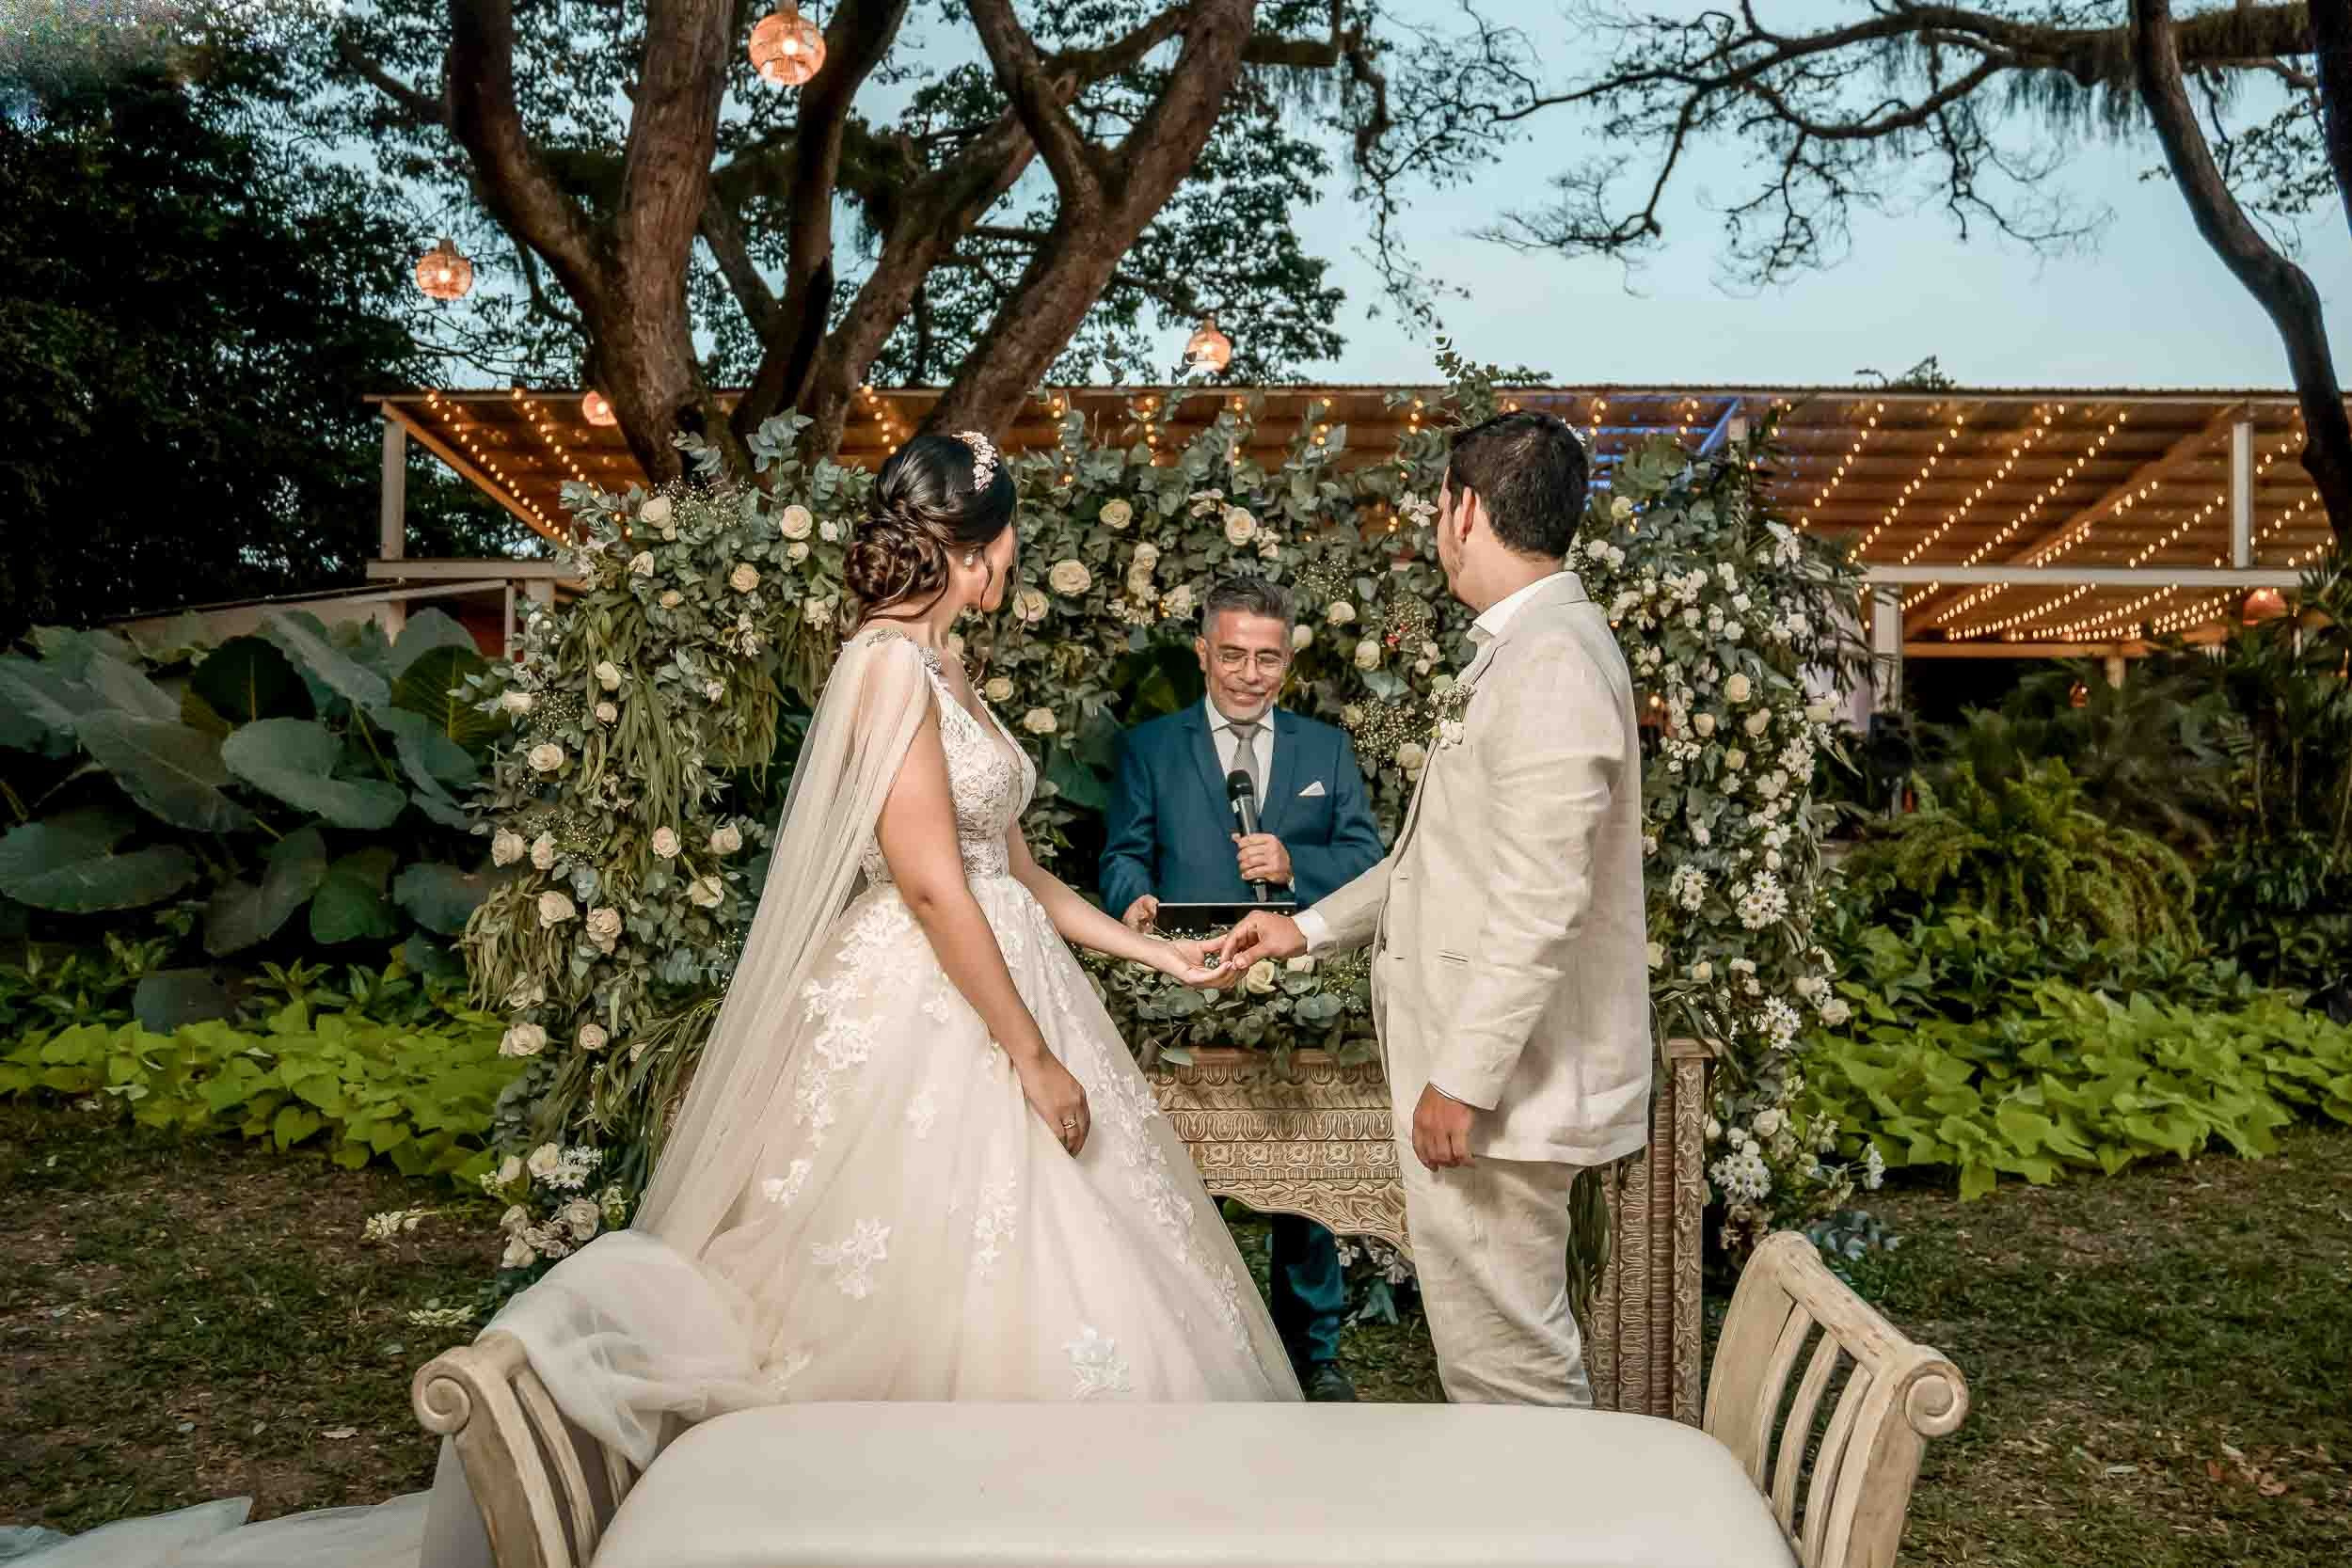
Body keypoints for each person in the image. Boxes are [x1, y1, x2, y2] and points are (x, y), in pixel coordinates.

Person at [40, 433, 1298, 1568]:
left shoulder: (948, 672)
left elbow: (1010, 867)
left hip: (1004, 957)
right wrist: (1030, 1051)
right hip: (933, 1002)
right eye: (1010, 537)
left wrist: (1149, 956)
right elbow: (927, 881)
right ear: (979, 544)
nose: (1015, 558)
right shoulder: (885, 672)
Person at [1217, 410, 1652, 1408]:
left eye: (1436, 504)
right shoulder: (1524, 646)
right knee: (1491, 1361)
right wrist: (1308, 925)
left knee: (1512, 1375)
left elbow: (1539, 900)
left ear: (1462, 508)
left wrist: (1461, 1078)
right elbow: (1440, 861)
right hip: (1499, 1087)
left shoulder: (1548, 661)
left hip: (1506, 1096)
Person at [1099, 577, 1384, 1402]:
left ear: (1287, 663)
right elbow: (1124, 852)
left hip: (1299, 993)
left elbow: (1371, 863)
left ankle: (1315, 1355)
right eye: (1233, 654)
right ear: (1202, 653)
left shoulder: (1324, 749)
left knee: (1306, 1177)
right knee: (1189, 1178)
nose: (1249, 673)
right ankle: (1202, 1347)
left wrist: (1298, 864)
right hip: (1188, 989)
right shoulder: (1152, 747)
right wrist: (1133, 899)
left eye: (1267, 658)